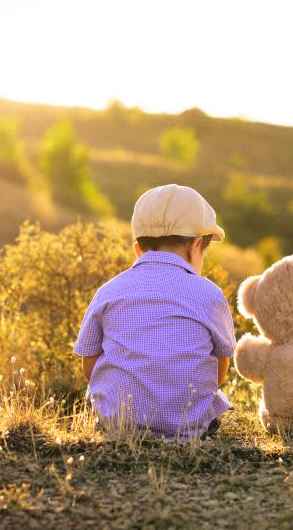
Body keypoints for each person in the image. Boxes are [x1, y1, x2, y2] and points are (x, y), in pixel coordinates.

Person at [74, 184, 235, 440]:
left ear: (137, 250)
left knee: (94, 391)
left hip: (118, 423)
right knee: (215, 399)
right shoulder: (209, 294)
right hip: (187, 427)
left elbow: (89, 366)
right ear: (196, 246)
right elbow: (220, 371)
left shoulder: (109, 291)